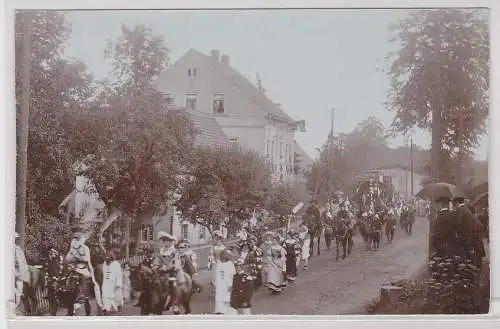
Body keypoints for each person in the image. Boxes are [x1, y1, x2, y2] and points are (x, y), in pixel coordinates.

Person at [65, 228, 102, 312]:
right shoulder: (72, 249)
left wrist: (76, 257)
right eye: (74, 238)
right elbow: (67, 259)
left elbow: (86, 259)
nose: (76, 239)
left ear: (81, 238)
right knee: (64, 278)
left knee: (93, 282)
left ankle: (99, 303)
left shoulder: (85, 248)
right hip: (73, 268)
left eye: (77, 238)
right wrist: (70, 258)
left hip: (84, 267)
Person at [213, 249, 236, 314]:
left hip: (227, 285)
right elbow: (216, 274)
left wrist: (231, 285)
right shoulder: (218, 263)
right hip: (219, 285)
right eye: (223, 255)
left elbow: (233, 275)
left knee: (227, 300)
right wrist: (215, 283)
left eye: (225, 255)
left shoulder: (230, 264)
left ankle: (227, 313)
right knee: (219, 299)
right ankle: (219, 312)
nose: (224, 257)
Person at [14, 232, 30, 307]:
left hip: (17, 273)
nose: (14, 240)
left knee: (19, 288)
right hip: (13, 272)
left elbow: (21, 262)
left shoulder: (17, 249)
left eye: (15, 238)